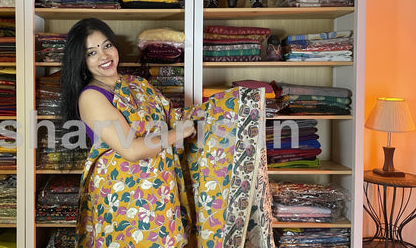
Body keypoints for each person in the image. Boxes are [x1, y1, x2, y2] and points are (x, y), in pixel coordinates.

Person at [60, 18, 274, 248]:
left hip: (161, 189)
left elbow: (173, 117)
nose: (103, 56)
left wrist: (232, 107)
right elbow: (131, 149)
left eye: (106, 45)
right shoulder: (91, 97)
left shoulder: (137, 84)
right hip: (124, 198)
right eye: (91, 52)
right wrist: (180, 132)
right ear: (81, 61)